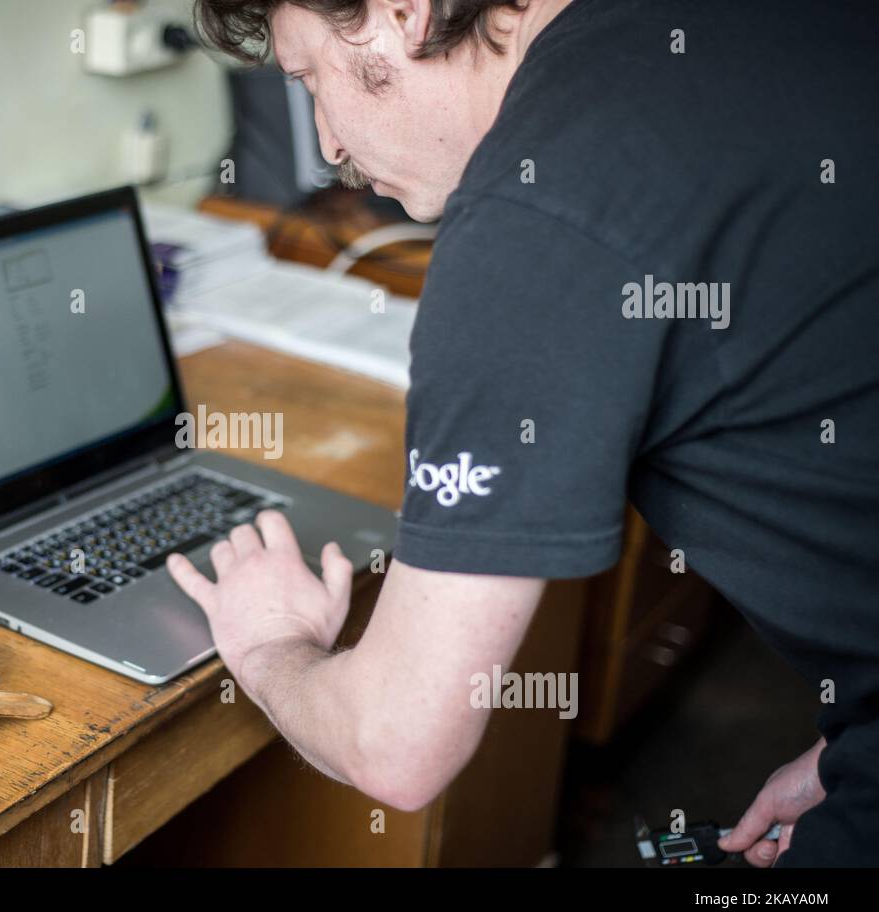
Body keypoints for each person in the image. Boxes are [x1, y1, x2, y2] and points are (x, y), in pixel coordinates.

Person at [164, 0, 879, 866]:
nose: (327, 146)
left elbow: (393, 744)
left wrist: (272, 640)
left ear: (403, 13)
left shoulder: (533, 223)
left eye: (313, 78)